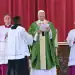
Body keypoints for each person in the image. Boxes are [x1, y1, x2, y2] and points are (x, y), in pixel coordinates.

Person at [28, 10, 59, 75]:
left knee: (48, 62)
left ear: (45, 15)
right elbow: (30, 36)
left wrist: (49, 31)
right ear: (38, 16)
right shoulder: (34, 25)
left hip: (47, 49)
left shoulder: (49, 24)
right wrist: (36, 33)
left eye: (43, 16)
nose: (42, 17)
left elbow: (53, 35)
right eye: (40, 16)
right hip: (37, 49)